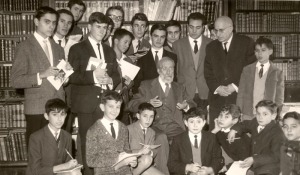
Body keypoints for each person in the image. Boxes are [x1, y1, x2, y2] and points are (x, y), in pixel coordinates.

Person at [68, 12, 121, 175]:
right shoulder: (77, 48)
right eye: (98, 27)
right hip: (87, 105)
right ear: (89, 27)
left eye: (105, 28)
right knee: (88, 144)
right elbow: (71, 75)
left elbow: (116, 74)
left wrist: (109, 80)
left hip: (107, 104)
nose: (102, 31)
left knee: (107, 143)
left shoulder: (109, 50)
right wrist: (93, 76)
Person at [128, 57, 196, 175]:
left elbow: (192, 104)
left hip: (175, 127)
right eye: (165, 69)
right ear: (159, 70)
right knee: (162, 138)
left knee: (187, 139)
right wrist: (148, 102)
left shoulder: (179, 87)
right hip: (154, 126)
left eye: (171, 68)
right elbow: (131, 104)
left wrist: (186, 105)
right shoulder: (146, 85)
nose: (169, 72)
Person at [11, 6, 66, 146]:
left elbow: (60, 79)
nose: (52, 26)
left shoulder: (58, 48)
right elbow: (16, 81)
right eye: (47, 22)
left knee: (57, 152)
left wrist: (66, 76)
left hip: (58, 109)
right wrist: (41, 75)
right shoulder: (24, 47)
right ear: (36, 22)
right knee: (37, 154)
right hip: (37, 108)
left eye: (54, 23)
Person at [204, 16, 256, 130]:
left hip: (239, 98)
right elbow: (208, 73)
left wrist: (234, 86)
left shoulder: (246, 43)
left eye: (221, 30)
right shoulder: (210, 47)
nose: (218, 34)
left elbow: (251, 70)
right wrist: (217, 88)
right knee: (216, 136)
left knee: (236, 135)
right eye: (215, 30)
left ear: (231, 28)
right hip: (217, 99)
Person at [86, 91, 139, 175]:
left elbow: (127, 150)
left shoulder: (123, 127)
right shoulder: (93, 130)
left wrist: (132, 160)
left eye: (118, 107)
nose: (115, 110)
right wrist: (116, 158)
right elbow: (91, 161)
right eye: (111, 106)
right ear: (102, 107)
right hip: (104, 172)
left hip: (124, 171)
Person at [228, 100, 285, 175]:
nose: (260, 117)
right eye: (258, 113)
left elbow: (275, 156)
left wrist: (254, 159)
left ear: (273, 116)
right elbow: (244, 124)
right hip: (254, 166)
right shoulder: (255, 122)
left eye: (265, 114)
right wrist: (234, 129)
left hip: (270, 168)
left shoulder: (277, 132)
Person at [237, 37, 284, 120]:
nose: (260, 53)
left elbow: (279, 98)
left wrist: (276, 114)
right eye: (257, 50)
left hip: (267, 115)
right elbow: (241, 93)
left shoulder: (277, 72)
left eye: (263, 50)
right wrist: (238, 112)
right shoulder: (247, 70)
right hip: (248, 114)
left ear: (270, 51)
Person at [26, 98, 78, 175]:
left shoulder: (67, 136)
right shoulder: (36, 138)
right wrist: (63, 167)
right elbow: (35, 170)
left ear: (66, 116)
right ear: (46, 116)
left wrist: (73, 166)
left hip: (59, 173)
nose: (59, 119)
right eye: (55, 114)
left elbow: (68, 163)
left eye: (62, 114)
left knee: (77, 173)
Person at [173, 12, 212, 110]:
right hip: (185, 93)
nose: (194, 31)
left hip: (206, 92)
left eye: (198, 27)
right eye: (191, 27)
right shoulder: (177, 45)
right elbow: (175, 72)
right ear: (187, 26)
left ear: (203, 27)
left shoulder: (211, 44)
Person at [168, 107, 224, 175]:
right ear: (186, 123)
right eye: (191, 121)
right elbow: (171, 164)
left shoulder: (211, 137)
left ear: (204, 123)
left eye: (199, 121)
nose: (195, 125)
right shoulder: (178, 139)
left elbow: (219, 159)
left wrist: (209, 170)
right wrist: (187, 167)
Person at [133, 24, 177, 93]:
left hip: (167, 95)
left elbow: (175, 80)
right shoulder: (140, 55)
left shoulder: (172, 56)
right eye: (156, 36)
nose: (159, 40)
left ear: (165, 38)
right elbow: (137, 81)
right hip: (147, 96)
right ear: (150, 36)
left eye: (162, 37)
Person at [211, 104, 251, 173]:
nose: (221, 119)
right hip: (236, 163)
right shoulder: (220, 132)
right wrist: (215, 130)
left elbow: (244, 160)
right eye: (221, 115)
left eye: (226, 117)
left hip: (249, 165)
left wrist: (225, 168)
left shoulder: (237, 136)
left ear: (235, 121)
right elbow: (206, 144)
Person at [127, 103, 164, 175]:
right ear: (138, 116)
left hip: (145, 165)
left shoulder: (151, 132)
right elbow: (124, 151)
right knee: (147, 159)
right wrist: (140, 151)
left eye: (151, 117)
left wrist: (150, 152)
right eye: (145, 116)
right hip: (130, 165)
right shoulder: (128, 129)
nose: (148, 120)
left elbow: (154, 151)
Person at [112, 28, 135, 125]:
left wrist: (130, 83)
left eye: (129, 43)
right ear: (116, 41)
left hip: (124, 103)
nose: (127, 46)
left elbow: (131, 83)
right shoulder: (107, 57)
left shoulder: (128, 60)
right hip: (110, 101)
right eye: (125, 42)